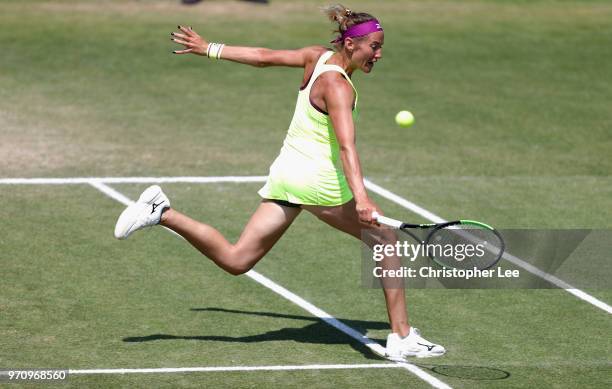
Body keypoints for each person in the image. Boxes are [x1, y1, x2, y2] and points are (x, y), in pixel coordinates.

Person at [114, 4, 445, 359]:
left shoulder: (315, 57)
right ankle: (402, 335)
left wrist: (210, 48)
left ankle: (161, 212)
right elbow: (347, 147)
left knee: (237, 260)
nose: (379, 54)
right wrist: (362, 199)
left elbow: (262, 56)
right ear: (351, 45)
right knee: (386, 240)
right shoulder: (339, 88)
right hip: (317, 184)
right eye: (374, 47)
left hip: (287, 176)